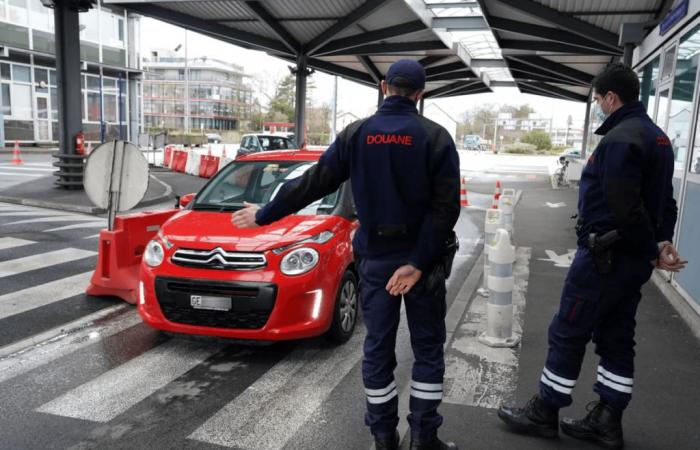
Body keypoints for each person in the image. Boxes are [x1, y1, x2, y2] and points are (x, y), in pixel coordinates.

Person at [232, 59, 460, 450]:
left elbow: (313, 182)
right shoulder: (435, 137)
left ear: (384, 86)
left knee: (377, 349)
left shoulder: (357, 134)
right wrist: (418, 263)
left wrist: (264, 215)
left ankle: (384, 438)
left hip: (374, 259)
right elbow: (446, 208)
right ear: (421, 94)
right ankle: (424, 438)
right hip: (421, 263)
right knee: (427, 348)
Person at [497, 63, 687, 449]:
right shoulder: (659, 138)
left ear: (611, 98)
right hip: (631, 262)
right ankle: (607, 419)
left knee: (568, 329)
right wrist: (660, 241)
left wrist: (650, 244)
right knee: (617, 336)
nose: (598, 104)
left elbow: (623, 208)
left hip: (605, 257)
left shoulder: (620, 139)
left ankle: (544, 411)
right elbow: (664, 201)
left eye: (598, 99)